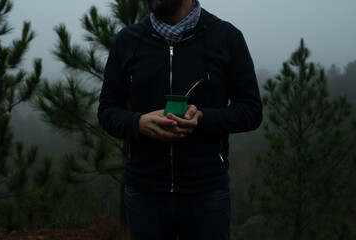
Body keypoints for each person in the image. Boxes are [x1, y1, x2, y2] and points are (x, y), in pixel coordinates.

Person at [98, 0, 263, 239]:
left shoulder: (226, 37)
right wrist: (138, 123)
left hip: (207, 194)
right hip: (144, 193)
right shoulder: (127, 40)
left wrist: (203, 119)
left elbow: (251, 111)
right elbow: (107, 111)